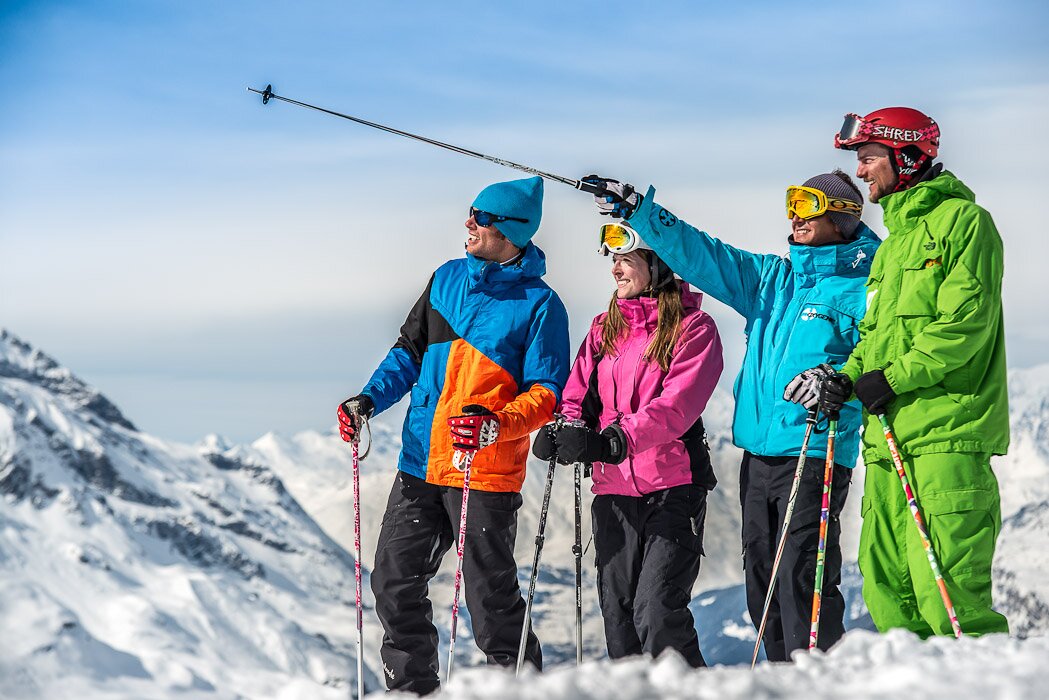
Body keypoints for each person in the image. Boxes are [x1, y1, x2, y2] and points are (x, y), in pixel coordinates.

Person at [579, 170, 881, 661]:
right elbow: (703, 255)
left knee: (800, 579)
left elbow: (878, 354)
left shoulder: (865, 287)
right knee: (762, 584)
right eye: (791, 203)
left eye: (807, 204)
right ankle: (781, 682)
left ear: (843, 216)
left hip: (814, 448)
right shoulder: (772, 280)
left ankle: (818, 680)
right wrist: (641, 214)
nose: (794, 215)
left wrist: (841, 380)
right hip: (757, 455)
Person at [337, 176, 571, 694]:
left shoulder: (541, 305)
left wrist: (496, 425)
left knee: (490, 601)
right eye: (472, 211)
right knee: (392, 582)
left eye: (482, 217)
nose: (469, 222)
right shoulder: (445, 279)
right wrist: (368, 400)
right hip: (421, 460)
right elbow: (408, 352)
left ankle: (521, 690)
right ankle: (413, 689)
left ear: (511, 231)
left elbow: (546, 393)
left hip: (484, 471)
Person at [814, 107, 1009, 637]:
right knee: (888, 595)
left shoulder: (965, 224)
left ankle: (980, 677)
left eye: (868, 157)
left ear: (906, 155)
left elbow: (962, 326)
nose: (860, 171)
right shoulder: (893, 247)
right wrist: (846, 378)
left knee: (947, 596)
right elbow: (874, 339)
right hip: (887, 439)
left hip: (945, 436)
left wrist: (891, 379)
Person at [533, 229, 723, 666]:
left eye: (626, 259)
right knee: (619, 621)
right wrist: (563, 431)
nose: (615, 269)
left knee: (657, 611)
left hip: (673, 488)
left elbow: (676, 407)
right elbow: (577, 395)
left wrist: (613, 442)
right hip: (613, 492)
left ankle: (690, 691)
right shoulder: (604, 329)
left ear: (657, 264)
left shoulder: (694, 329)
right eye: (613, 260)